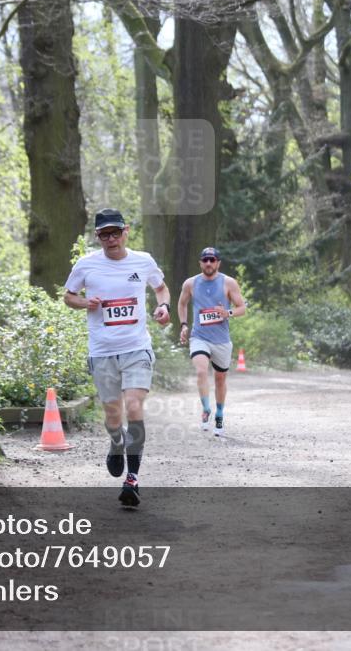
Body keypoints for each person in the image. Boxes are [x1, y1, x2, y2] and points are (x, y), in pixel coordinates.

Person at [64, 209, 170, 507]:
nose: (110, 239)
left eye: (114, 232)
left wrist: (164, 308)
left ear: (126, 232)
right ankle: (116, 442)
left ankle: (132, 479)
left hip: (137, 348)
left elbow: (161, 288)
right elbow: (68, 296)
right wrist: (86, 302)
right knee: (113, 416)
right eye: (103, 234)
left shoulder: (143, 261)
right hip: (103, 351)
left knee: (134, 406)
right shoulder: (86, 265)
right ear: (98, 237)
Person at [176, 247, 246, 437]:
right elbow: (182, 303)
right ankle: (206, 408)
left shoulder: (228, 283)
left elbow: (242, 308)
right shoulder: (190, 283)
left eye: (212, 260)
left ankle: (220, 414)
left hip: (221, 340)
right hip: (199, 337)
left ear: (218, 263)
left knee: (220, 378)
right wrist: (183, 325)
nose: (208, 263)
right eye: (205, 260)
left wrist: (228, 313)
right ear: (200, 263)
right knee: (200, 371)